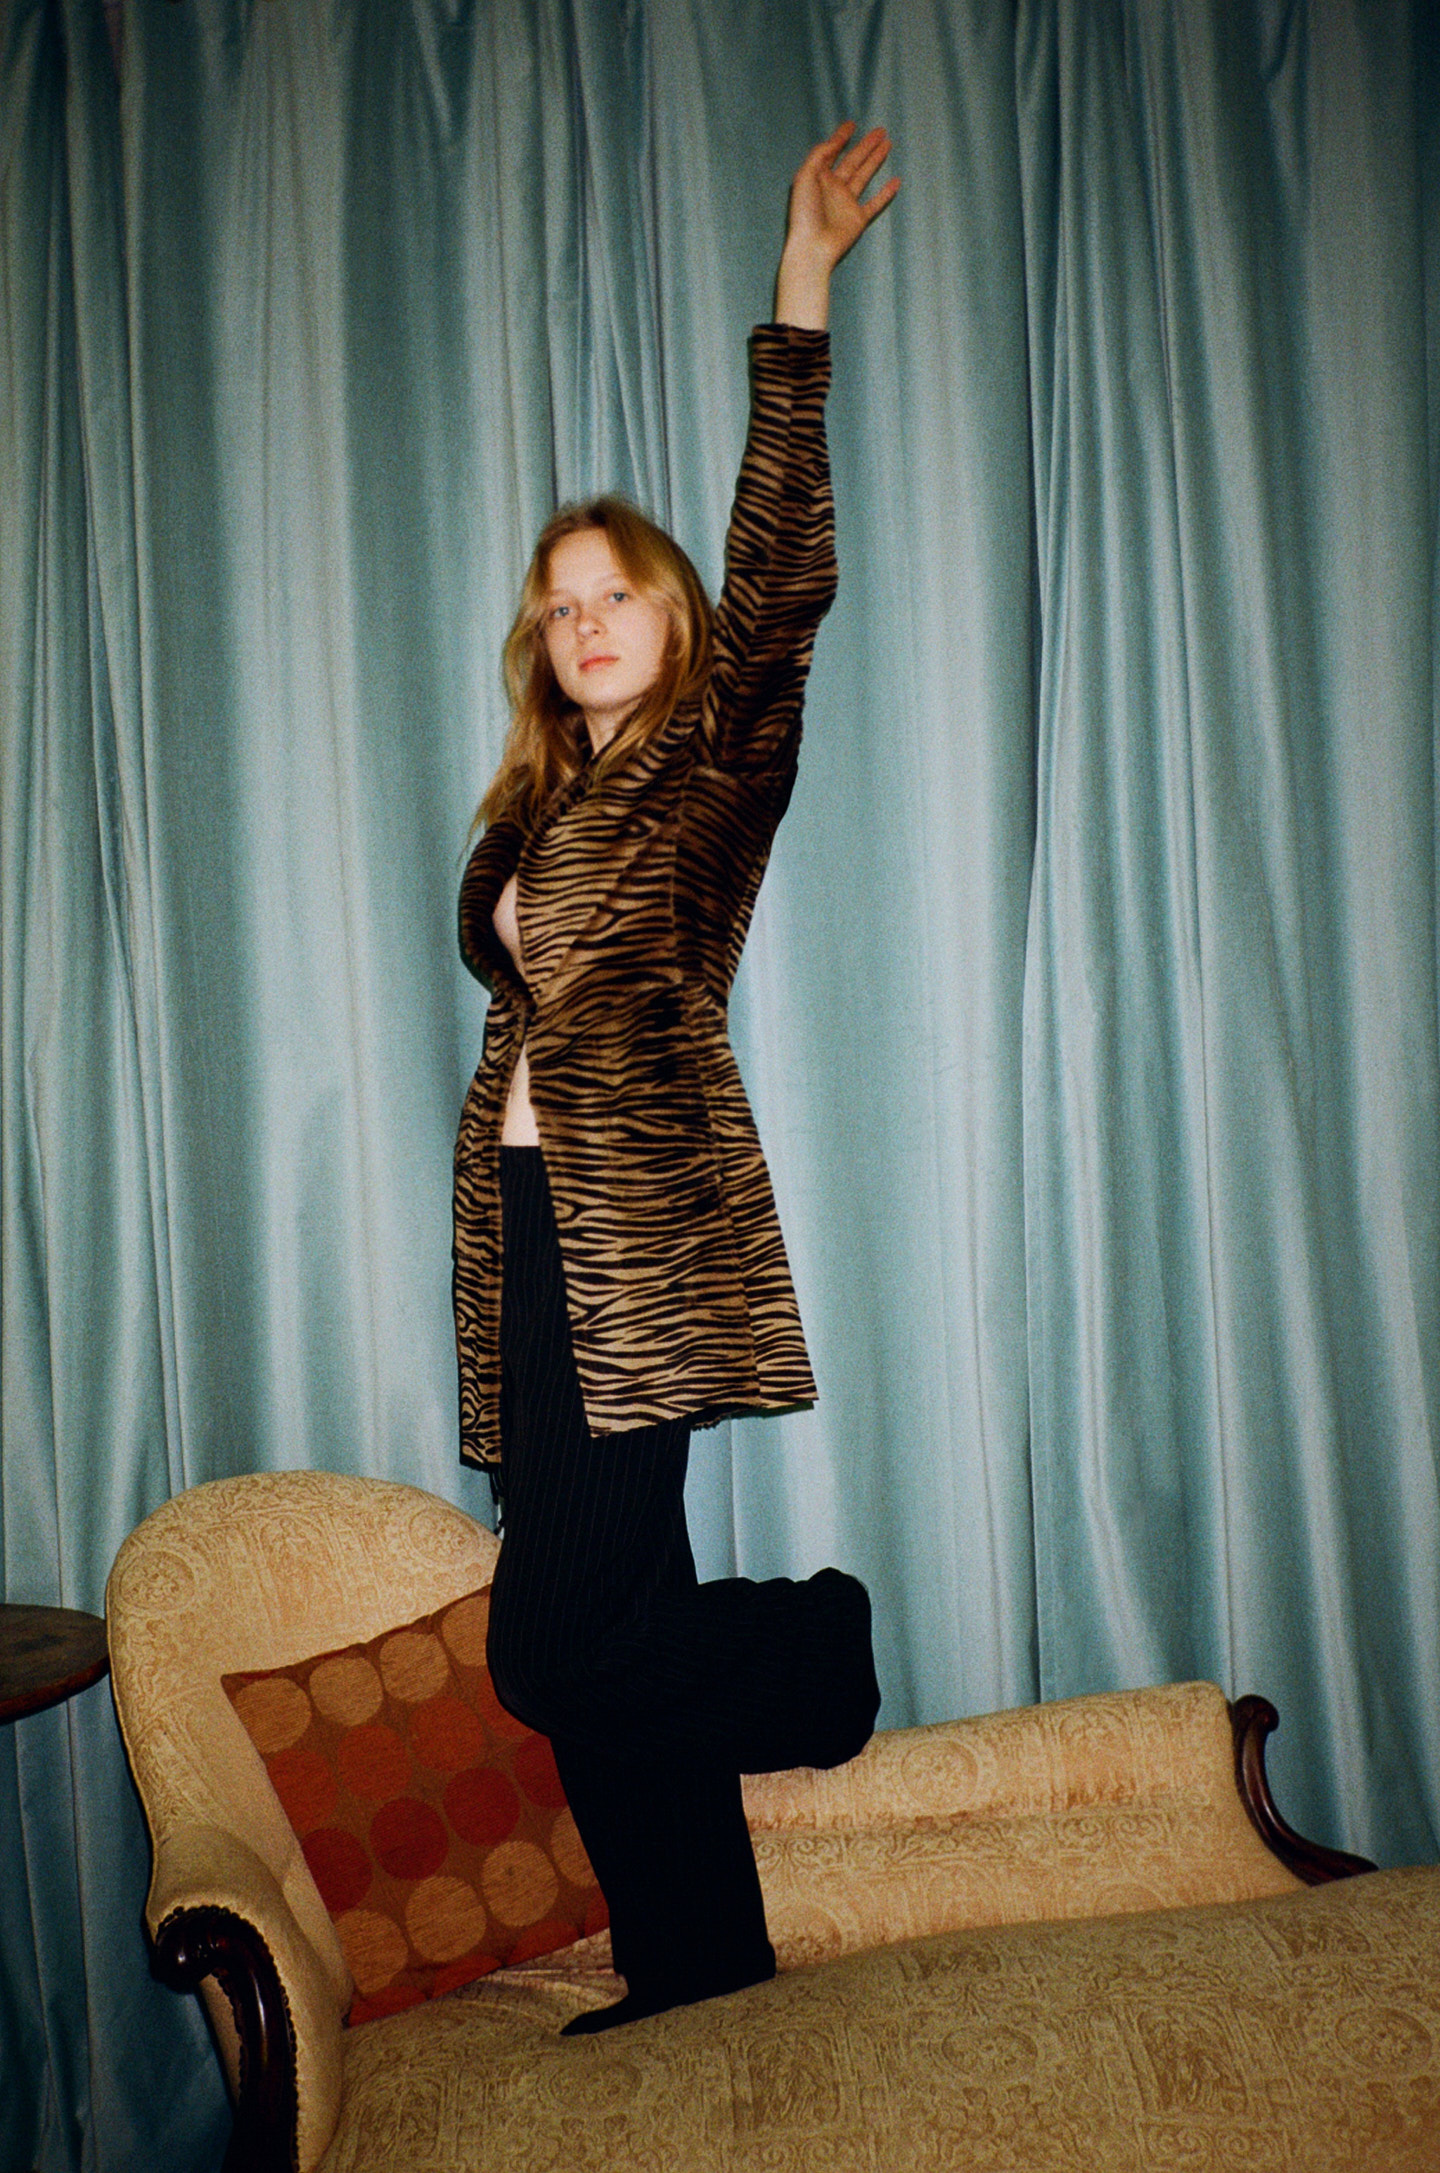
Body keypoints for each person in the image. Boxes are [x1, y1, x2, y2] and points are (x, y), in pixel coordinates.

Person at [452, 123, 899, 2034]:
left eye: (613, 592)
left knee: (548, 1645)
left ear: (673, 617)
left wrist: (802, 286)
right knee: (614, 1616)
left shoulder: (716, 757)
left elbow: (783, 569)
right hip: (534, 1235)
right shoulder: (541, 810)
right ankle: (697, 1955)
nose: (584, 623)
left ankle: (814, 1648)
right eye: (558, 606)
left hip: (637, 1236)